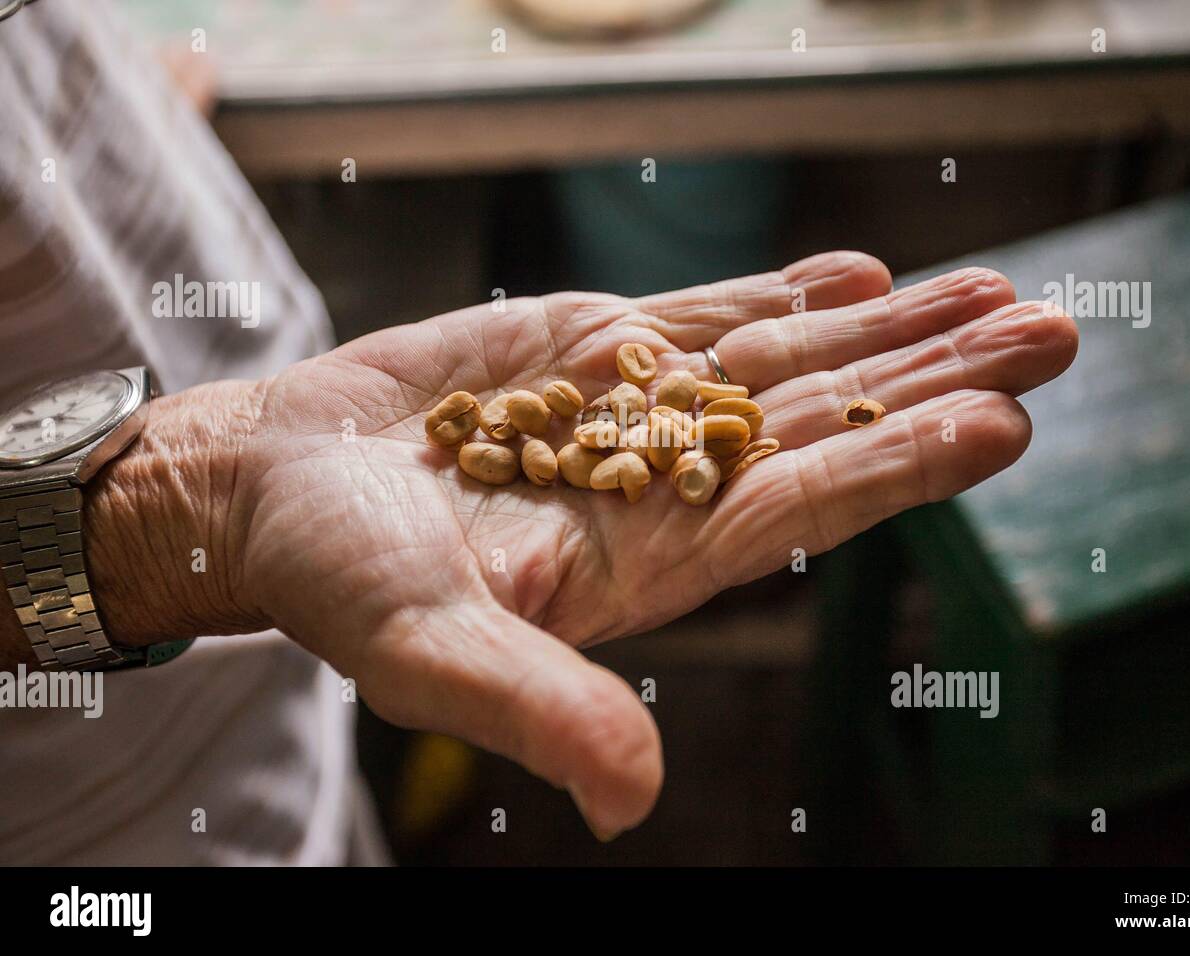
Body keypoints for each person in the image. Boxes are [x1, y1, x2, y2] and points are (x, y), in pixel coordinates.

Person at [0, 1, 1077, 863]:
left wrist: (71, 96)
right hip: (76, 796)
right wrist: (176, 517)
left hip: (227, 550)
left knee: (318, 808)